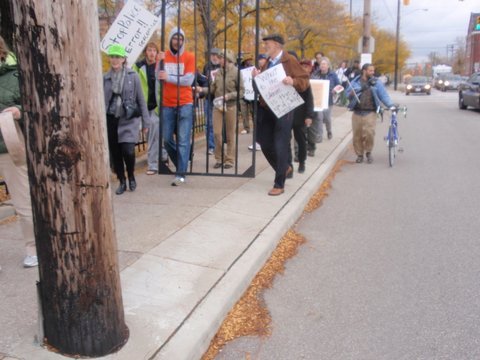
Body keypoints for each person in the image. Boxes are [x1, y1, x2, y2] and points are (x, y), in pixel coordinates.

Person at [252, 34, 309, 196]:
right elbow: (261, 87)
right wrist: (255, 78)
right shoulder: (268, 62)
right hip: (266, 108)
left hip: (284, 108)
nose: (265, 47)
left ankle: (279, 184)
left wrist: (293, 81)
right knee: (264, 144)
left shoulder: (289, 60)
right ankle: (283, 167)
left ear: (277, 45)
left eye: (267, 44)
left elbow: (304, 80)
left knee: (280, 144)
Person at [0, 35, 37, 268]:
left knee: (23, 202)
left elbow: (32, 103)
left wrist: (18, 110)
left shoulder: (15, 75)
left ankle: (33, 247)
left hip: (8, 145)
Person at [103, 44, 149, 195]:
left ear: (123, 59)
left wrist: (145, 122)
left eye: (118, 57)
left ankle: (131, 175)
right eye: (112, 56)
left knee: (128, 151)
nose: (115, 60)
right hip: (111, 119)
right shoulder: (105, 78)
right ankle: (122, 181)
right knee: (116, 153)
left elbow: (141, 100)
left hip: (128, 119)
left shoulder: (132, 76)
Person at [158, 28, 195, 186]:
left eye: (180, 39)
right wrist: (158, 64)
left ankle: (181, 173)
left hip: (185, 102)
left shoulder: (189, 57)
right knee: (166, 139)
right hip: (168, 104)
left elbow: (188, 80)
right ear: (170, 39)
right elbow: (158, 77)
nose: (177, 41)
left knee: (183, 140)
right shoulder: (163, 56)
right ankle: (183, 161)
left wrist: (169, 77)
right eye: (175, 38)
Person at [197, 49, 244, 169]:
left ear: (227, 59)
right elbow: (212, 89)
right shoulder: (218, 72)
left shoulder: (236, 72)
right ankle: (219, 158)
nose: (219, 59)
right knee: (217, 133)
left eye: (221, 57)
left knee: (230, 134)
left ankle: (229, 159)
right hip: (218, 105)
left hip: (230, 106)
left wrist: (229, 96)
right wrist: (202, 90)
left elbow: (242, 92)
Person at [347, 63, 395, 164]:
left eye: (373, 71)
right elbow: (347, 94)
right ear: (364, 71)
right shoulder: (355, 82)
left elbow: (384, 95)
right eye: (370, 71)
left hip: (370, 112)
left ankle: (368, 152)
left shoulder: (376, 82)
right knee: (357, 135)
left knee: (370, 133)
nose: (372, 73)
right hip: (357, 112)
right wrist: (350, 94)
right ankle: (359, 154)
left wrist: (391, 105)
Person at [132, 42, 161, 175]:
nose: (152, 53)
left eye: (154, 51)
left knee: (157, 134)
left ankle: (157, 161)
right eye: (149, 50)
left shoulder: (160, 66)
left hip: (157, 106)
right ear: (146, 52)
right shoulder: (138, 67)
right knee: (151, 135)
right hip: (144, 107)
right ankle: (157, 161)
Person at [310, 57, 340, 149]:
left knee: (327, 118)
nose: (323, 66)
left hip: (328, 100)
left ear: (328, 65)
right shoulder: (315, 74)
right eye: (321, 64)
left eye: (324, 64)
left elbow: (339, 86)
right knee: (319, 117)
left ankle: (329, 130)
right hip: (318, 100)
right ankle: (319, 135)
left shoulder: (333, 75)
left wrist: (335, 91)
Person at [202, 48, 221, 155]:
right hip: (209, 98)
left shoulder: (223, 66)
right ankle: (211, 146)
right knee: (208, 123)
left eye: (216, 55)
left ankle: (219, 144)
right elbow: (203, 80)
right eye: (212, 55)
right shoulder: (207, 66)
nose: (214, 57)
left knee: (219, 124)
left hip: (220, 98)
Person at [247, 53, 268, 152]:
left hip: (267, 101)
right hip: (258, 101)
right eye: (260, 60)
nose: (261, 61)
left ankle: (263, 141)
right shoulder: (256, 71)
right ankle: (258, 141)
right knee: (258, 121)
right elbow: (255, 89)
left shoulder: (268, 70)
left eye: (263, 59)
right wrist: (254, 78)